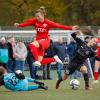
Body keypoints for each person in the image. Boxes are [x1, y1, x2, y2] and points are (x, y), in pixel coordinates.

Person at [14, 6, 79, 67]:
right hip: (38, 42)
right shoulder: (35, 21)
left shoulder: (48, 22)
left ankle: (36, 60)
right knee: (40, 61)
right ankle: (54, 59)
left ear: (42, 15)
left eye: (38, 16)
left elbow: (59, 26)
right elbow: (26, 23)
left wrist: (71, 28)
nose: (37, 18)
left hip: (45, 41)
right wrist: (19, 25)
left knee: (31, 45)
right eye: (36, 16)